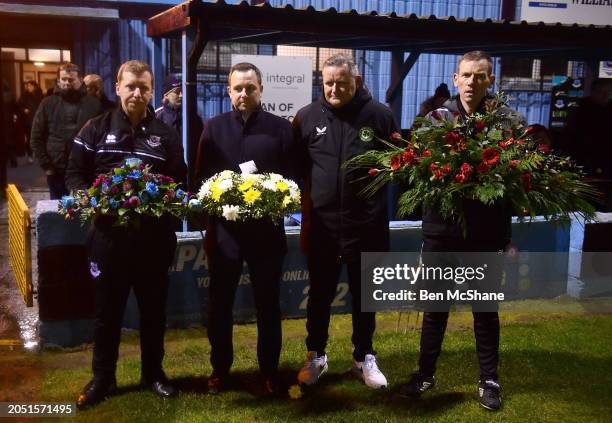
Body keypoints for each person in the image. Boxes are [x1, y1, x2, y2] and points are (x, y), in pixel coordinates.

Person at [398, 51, 525, 411]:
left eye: (480, 76)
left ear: (491, 81)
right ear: (456, 80)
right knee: (434, 308)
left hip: (486, 235)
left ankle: (489, 380)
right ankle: (424, 374)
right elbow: (417, 169)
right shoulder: (435, 119)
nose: (472, 82)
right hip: (442, 232)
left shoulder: (508, 122)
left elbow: (518, 176)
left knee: (485, 310)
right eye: (466, 76)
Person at [66, 60, 186, 409]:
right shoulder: (94, 128)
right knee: (107, 313)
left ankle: (154, 374)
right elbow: (74, 175)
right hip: (107, 239)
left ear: (151, 92)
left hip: (153, 242)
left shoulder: (164, 133)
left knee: (153, 311)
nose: (137, 93)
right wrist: (93, 200)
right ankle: (103, 379)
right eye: (131, 86)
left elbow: (179, 181)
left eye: (144, 87)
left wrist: (162, 196)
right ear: (117, 87)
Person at [293, 53, 398, 389]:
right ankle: (316, 355)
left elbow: (396, 165)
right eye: (328, 83)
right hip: (322, 228)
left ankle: (364, 357)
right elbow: (296, 168)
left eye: (341, 82)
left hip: (366, 227)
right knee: (320, 295)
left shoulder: (380, 116)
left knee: (365, 296)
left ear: (357, 82)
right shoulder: (307, 117)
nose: (334, 88)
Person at [195, 62, 295, 395]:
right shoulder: (213, 128)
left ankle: (270, 371)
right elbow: (200, 181)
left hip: (267, 235)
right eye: (237, 88)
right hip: (225, 237)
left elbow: (293, 179)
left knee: (268, 306)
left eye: (250, 88)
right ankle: (220, 370)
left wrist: (279, 198)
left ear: (261, 89)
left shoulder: (281, 129)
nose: (243, 94)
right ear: (228, 91)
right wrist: (211, 216)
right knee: (219, 305)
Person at [31, 62, 103, 199]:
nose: (66, 83)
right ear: (58, 80)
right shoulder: (48, 103)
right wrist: (47, 166)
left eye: (71, 79)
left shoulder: (93, 104)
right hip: (56, 168)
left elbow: (100, 136)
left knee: (85, 210)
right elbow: (36, 136)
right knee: (59, 212)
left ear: (81, 80)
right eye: (63, 79)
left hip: (85, 169)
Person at [156, 75, 202, 188]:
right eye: (176, 92)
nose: (181, 95)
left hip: (189, 175)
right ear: (166, 95)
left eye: (182, 91)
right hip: (165, 177)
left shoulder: (192, 117)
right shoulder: (157, 117)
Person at [17, 80, 43, 164]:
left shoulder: (39, 95)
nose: (28, 87)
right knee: (29, 138)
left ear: (34, 86)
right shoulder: (24, 95)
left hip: (38, 120)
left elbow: (42, 107)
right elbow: (19, 105)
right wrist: (23, 109)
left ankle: (38, 153)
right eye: (27, 86)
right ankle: (30, 155)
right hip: (27, 120)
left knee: (38, 138)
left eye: (29, 86)